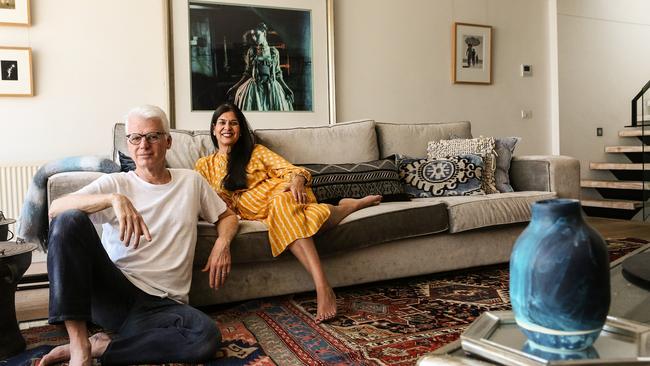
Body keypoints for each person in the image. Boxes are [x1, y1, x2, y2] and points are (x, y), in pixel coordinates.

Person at [40, 105, 239, 366]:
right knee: (69, 220)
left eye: (153, 136)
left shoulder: (191, 181)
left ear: (168, 141)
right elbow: (56, 209)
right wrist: (112, 200)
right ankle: (79, 347)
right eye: (136, 137)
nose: (143, 144)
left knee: (205, 337)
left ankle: (103, 347)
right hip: (114, 293)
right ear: (128, 144)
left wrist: (222, 243)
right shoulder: (116, 184)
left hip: (163, 306)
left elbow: (228, 216)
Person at [195, 103, 382, 323]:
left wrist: (297, 182)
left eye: (234, 123)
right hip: (262, 212)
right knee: (312, 217)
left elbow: (293, 171)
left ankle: (322, 287)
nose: (228, 127)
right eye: (223, 123)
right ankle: (350, 206)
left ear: (241, 129)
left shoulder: (256, 152)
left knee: (282, 206)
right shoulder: (204, 165)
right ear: (214, 128)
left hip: (286, 195)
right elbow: (203, 200)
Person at [226, 22, 294, 111]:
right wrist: (235, 87)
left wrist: (286, 88)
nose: (254, 38)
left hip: (272, 89)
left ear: (264, 33)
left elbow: (277, 74)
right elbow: (247, 73)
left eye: (257, 35)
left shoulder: (274, 52)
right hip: (254, 90)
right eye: (253, 35)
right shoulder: (252, 51)